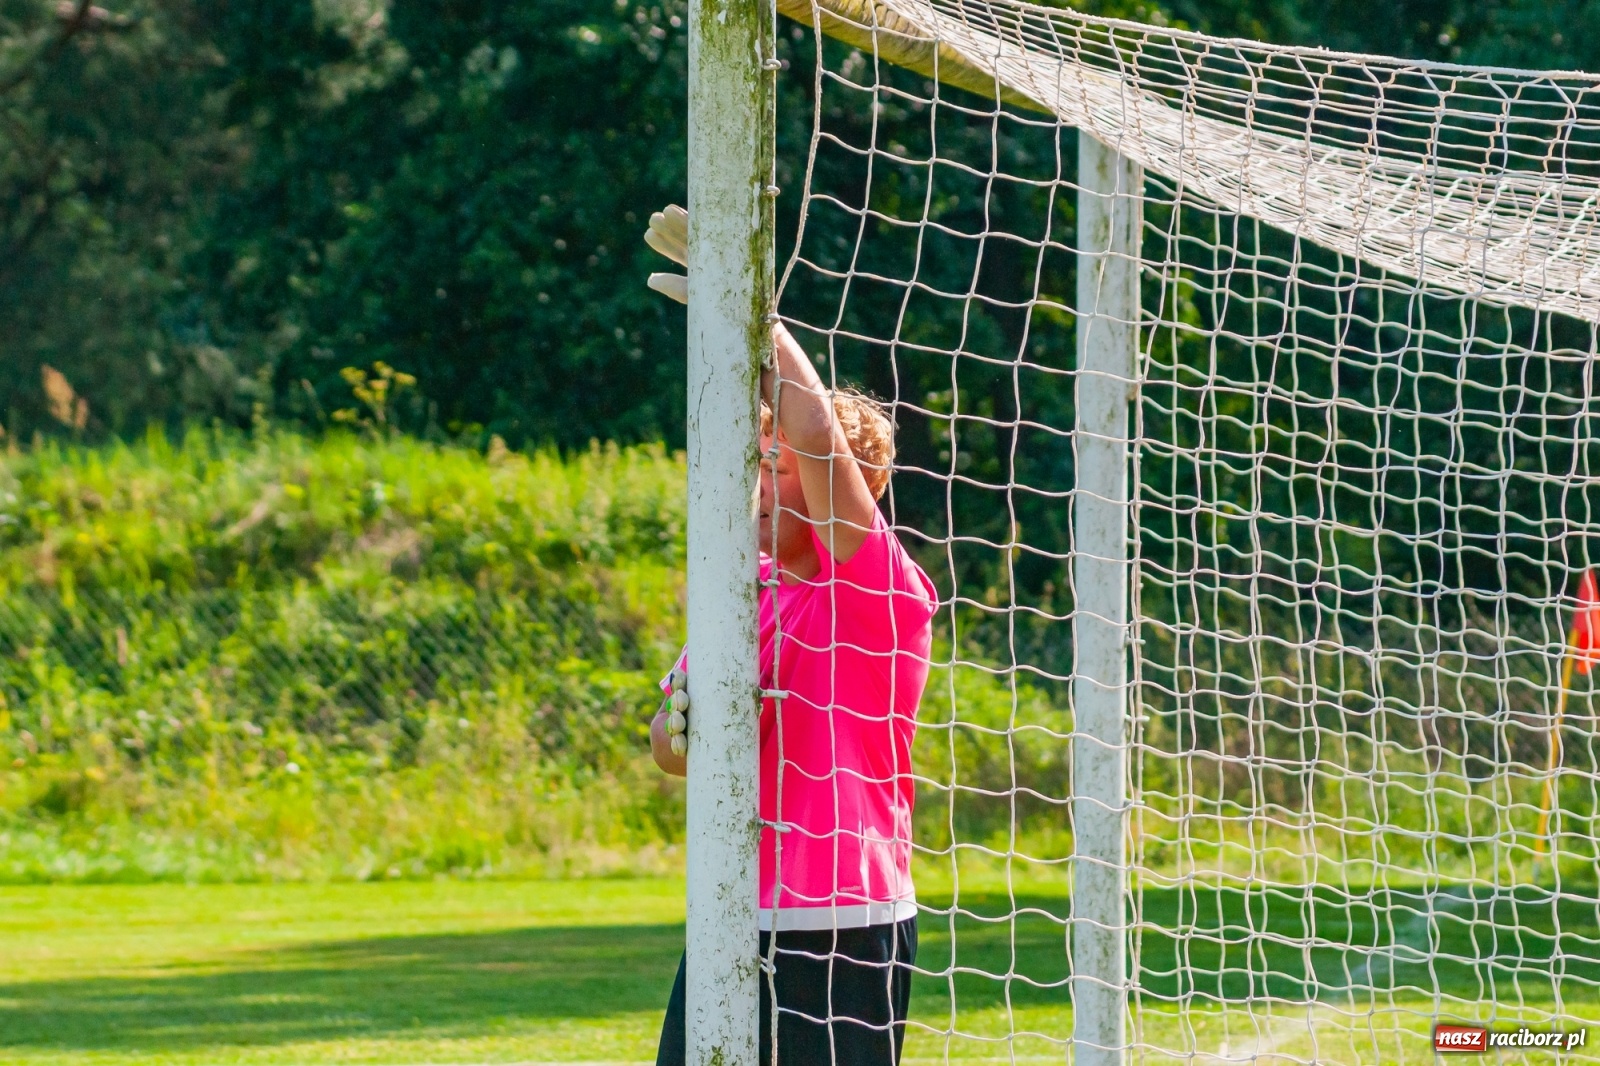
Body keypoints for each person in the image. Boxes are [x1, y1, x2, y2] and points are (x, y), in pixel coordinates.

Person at [643, 221, 937, 1064]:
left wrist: (752, 316)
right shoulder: (744, 594)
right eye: (758, 467)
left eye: (777, 470)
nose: (761, 486)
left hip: (844, 923)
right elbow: (669, 748)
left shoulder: (875, 589)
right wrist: (678, 730)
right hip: (731, 911)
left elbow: (815, 438)